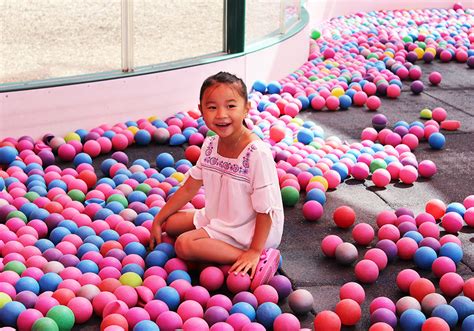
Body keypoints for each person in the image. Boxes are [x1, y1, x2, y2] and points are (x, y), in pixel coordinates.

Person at [150, 71, 284, 290]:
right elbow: (189, 188)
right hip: (223, 217)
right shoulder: (211, 145)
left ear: (246, 109)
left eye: (231, 106)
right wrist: (158, 220)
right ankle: (216, 248)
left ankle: (258, 260)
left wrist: (253, 251)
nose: (221, 114)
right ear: (201, 110)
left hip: (251, 229)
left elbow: (266, 209)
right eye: (212, 107)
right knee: (170, 224)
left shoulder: (255, 153)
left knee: (183, 245)